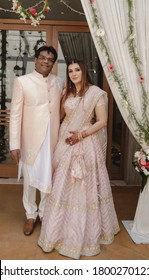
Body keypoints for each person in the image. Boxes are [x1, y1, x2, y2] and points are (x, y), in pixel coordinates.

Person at [38, 59, 120, 259]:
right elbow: (60, 117)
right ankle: (59, 232)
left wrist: (80, 135)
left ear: (84, 72)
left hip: (85, 145)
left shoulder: (96, 93)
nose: (74, 73)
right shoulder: (67, 92)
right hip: (66, 142)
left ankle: (84, 235)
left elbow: (102, 121)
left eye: (77, 70)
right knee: (63, 186)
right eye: (71, 70)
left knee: (83, 188)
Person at [9, 44, 65, 236]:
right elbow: (15, 115)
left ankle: (45, 213)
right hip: (30, 138)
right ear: (36, 59)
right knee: (31, 178)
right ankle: (31, 215)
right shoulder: (22, 81)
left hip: (53, 138)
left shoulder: (59, 82)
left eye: (50, 60)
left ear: (53, 63)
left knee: (49, 176)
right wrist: (14, 144)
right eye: (43, 58)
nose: (46, 62)